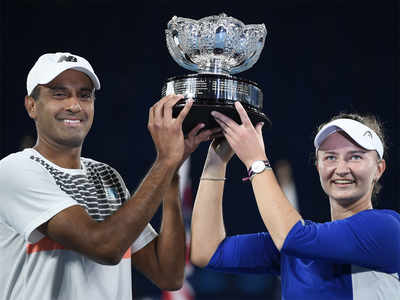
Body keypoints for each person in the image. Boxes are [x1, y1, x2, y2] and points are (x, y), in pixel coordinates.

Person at [0, 52, 217, 300]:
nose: (74, 105)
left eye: (84, 95)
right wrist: (165, 161)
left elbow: (168, 274)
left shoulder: (106, 176)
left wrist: (172, 172)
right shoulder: (15, 170)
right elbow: (105, 247)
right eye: (59, 94)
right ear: (32, 105)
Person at [190, 101, 400, 299]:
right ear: (318, 167)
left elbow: (293, 237)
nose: (342, 169)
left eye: (355, 156)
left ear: (379, 169)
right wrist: (217, 159)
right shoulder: (299, 250)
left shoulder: (386, 228)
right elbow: (206, 251)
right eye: (330, 157)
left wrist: (256, 161)